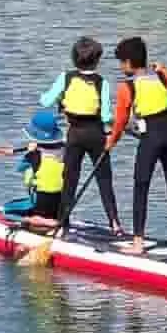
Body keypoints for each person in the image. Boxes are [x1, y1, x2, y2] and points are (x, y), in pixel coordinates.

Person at [111, 35, 167, 253]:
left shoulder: (127, 87)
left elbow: (119, 121)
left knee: (141, 186)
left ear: (128, 63)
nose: (121, 67)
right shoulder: (160, 76)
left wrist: (111, 142)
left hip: (150, 140)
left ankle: (138, 243)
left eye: (121, 62)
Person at [52, 37, 121, 235]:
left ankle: (62, 223)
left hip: (74, 134)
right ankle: (114, 223)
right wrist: (118, 125)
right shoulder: (102, 83)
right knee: (104, 180)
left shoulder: (65, 78)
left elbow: (46, 100)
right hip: (97, 135)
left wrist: (62, 100)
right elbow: (107, 116)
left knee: (70, 179)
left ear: (74, 59)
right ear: (97, 61)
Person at [0, 101, 69, 230]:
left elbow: (20, 169)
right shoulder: (67, 151)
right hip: (61, 205)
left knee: (7, 210)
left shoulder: (33, 155)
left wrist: (30, 152)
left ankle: (37, 220)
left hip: (40, 205)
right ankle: (57, 220)